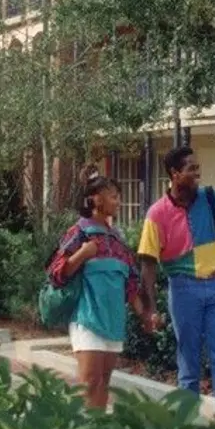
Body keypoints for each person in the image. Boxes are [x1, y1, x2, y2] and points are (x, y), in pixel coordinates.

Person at [138, 146, 215, 419]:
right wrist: (150, 308)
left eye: (197, 168)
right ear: (175, 174)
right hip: (183, 290)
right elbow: (148, 262)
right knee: (189, 366)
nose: (197, 173)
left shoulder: (210, 199)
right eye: (191, 169)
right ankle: (187, 428)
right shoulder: (156, 214)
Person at [57, 166, 159, 410]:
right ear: (96, 200)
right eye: (113, 197)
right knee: (90, 383)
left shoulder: (117, 239)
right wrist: (83, 254)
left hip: (113, 321)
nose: (118, 202)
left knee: (103, 382)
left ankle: (99, 428)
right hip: (87, 319)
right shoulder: (78, 233)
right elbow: (57, 273)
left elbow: (130, 286)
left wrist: (144, 315)